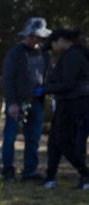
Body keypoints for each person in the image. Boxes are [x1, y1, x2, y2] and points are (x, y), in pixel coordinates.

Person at [0, 17, 52, 182]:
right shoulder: (15, 53)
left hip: (36, 101)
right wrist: (12, 102)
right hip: (17, 101)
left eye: (38, 37)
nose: (35, 40)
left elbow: (46, 76)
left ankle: (30, 171)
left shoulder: (44, 54)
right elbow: (7, 79)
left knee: (33, 137)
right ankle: (7, 170)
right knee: (10, 136)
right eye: (32, 36)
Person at [42, 29, 89, 190]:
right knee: (54, 141)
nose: (53, 48)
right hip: (67, 102)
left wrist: (46, 88)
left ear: (61, 40)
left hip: (73, 103)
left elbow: (68, 84)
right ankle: (50, 177)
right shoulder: (72, 55)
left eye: (53, 44)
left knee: (63, 141)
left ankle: (85, 173)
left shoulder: (73, 56)